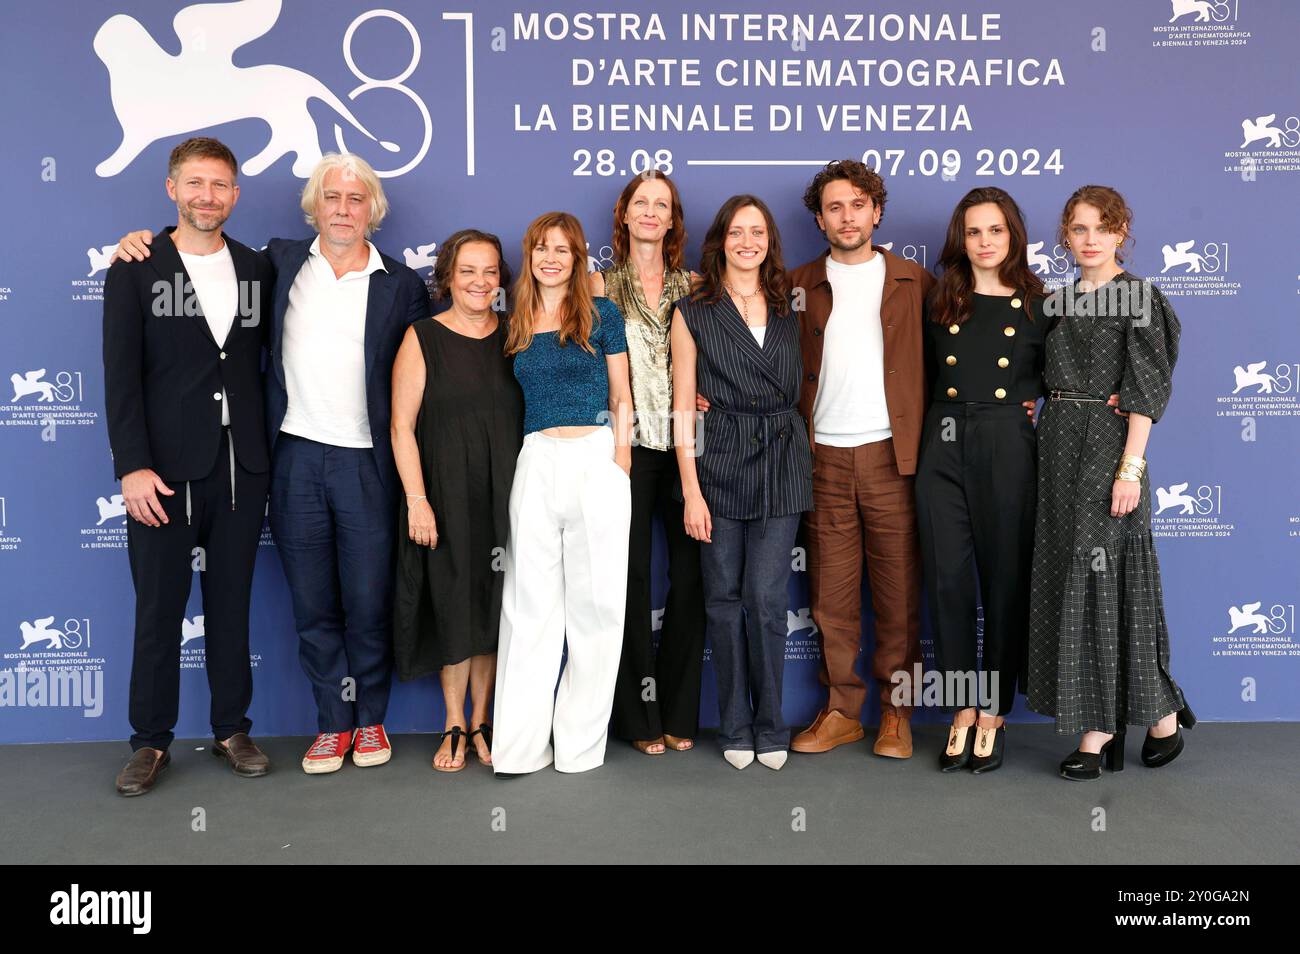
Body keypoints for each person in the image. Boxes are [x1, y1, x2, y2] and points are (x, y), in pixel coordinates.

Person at [112, 152, 429, 775]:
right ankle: (327, 727)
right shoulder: (278, 263)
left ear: (373, 211)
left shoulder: (398, 284)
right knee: (309, 606)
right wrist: (135, 242)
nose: (343, 208)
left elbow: (420, 375)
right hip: (289, 460)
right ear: (314, 206)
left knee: (366, 601)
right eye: (332, 197)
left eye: (356, 199)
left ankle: (368, 721)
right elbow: (127, 369)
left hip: (364, 463)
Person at [103, 137, 274, 795]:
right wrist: (132, 467)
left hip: (242, 469)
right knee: (158, 612)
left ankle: (232, 728)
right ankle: (150, 742)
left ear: (236, 193)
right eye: (196, 183)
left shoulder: (258, 268)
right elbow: (120, 377)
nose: (209, 196)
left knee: (231, 606)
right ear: (172, 188)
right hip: (163, 475)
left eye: (221, 185)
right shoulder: (138, 266)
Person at [1027, 185, 1195, 781]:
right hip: (1057, 449)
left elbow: (1146, 394)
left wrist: (1131, 468)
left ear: (1122, 232)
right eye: (1078, 229)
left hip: (1109, 448)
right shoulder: (1058, 301)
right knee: (1072, 576)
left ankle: (1099, 732)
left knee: (1103, 579)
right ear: (1065, 236)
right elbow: (1040, 374)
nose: (1089, 239)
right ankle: (1160, 713)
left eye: (1102, 227)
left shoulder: (1142, 299)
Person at [785, 160, 933, 759]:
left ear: (877, 211)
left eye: (858, 204)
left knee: (898, 595)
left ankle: (896, 714)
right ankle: (842, 710)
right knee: (831, 597)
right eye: (834, 207)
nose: (847, 217)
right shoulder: (795, 284)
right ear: (820, 218)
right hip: (820, 457)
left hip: (892, 458)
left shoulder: (914, 281)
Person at [672, 195, 813, 771]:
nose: (747, 242)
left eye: (758, 231)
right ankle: (733, 723)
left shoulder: (790, 305)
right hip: (718, 464)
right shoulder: (692, 310)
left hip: (782, 459)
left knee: (767, 596)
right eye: (737, 232)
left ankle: (771, 724)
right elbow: (684, 406)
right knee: (724, 600)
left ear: (770, 241)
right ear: (721, 240)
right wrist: (691, 490)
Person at [491, 212, 634, 776]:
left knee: (597, 607)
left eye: (563, 250)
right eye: (541, 248)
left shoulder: (602, 314)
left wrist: (619, 464)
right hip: (536, 461)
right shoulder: (517, 320)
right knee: (528, 607)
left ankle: (578, 745)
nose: (551, 258)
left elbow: (623, 397)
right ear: (529, 256)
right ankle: (520, 748)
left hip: (597, 456)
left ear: (578, 258)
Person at [916, 187, 1047, 774]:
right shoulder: (938, 295)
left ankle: (992, 709)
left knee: (1002, 580)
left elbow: (1066, 377)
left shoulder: (1041, 304)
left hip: (1006, 441)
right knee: (947, 579)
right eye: (974, 232)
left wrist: (1110, 400)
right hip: (941, 439)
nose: (985, 242)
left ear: (1013, 235)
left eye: (995, 230)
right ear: (960, 238)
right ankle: (959, 708)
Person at [391, 230, 523, 772]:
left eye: (490, 271)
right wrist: (417, 501)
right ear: (448, 276)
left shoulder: (517, 336)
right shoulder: (421, 337)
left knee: (493, 605)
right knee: (452, 602)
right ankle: (453, 721)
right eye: (468, 270)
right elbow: (401, 428)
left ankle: (483, 718)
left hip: (509, 493)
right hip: (444, 493)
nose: (479, 282)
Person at [591, 173, 706, 756]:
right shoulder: (598, 286)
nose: (651, 212)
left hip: (690, 446)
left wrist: (708, 389)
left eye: (662, 204)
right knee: (628, 581)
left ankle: (680, 711)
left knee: (691, 582)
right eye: (642, 202)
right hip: (626, 448)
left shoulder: (698, 286)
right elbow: (583, 368)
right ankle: (638, 718)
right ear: (625, 213)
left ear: (673, 217)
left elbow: (719, 359)